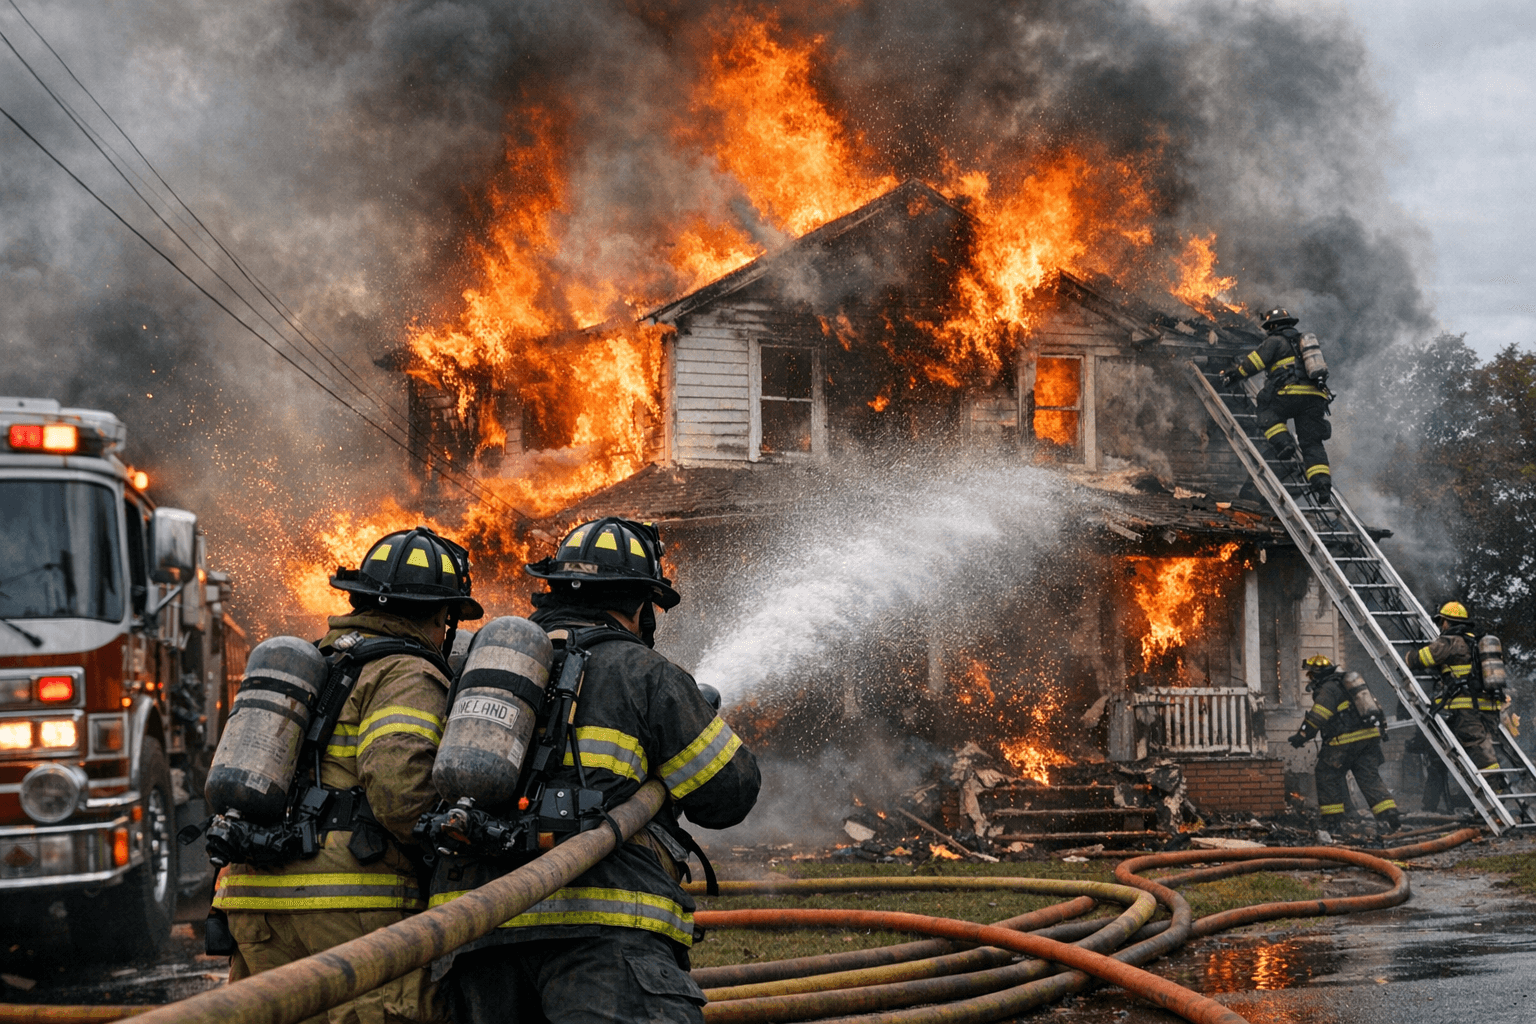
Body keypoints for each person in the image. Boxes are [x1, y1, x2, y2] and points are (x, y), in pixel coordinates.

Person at [434, 516, 760, 1024]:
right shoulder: (645, 673)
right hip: (607, 940)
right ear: (639, 604)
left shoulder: (484, 668)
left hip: (479, 937)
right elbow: (730, 793)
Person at [213, 527, 483, 1024]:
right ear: (441, 616)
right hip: (351, 905)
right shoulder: (405, 672)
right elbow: (401, 791)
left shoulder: (311, 662)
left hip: (252, 900)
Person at [1218, 308, 1334, 502]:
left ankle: (1284, 443)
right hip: (1314, 398)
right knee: (1312, 442)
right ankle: (1322, 484)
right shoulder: (1304, 344)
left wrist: (1234, 375)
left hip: (1288, 393)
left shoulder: (1274, 342)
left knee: (1265, 407)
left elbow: (1253, 363)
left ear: (1273, 326)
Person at [1288, 656, 1400, 832]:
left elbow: (1318, 716)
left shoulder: (1328, 688)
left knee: (1326, 774)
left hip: (1345, 741)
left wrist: (1301, 736)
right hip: (1370, 739)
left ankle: (1333, 821)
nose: (1310, 678)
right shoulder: (1351, 685)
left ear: (1317, 675)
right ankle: (1389, 816)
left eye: (1311, 675)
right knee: (1369, 777)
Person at [1405, 601, 1506, 782]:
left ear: (1446, 622)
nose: (1440, 626)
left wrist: (1408, 657)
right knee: (1479, 749)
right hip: (1490, 708)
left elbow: (1421, 659)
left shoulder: (1450, 642)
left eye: (1441, 622)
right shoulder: (1475, 641)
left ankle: (1496, 791)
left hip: (1468, 709)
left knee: (1480, 752)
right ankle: (1487, 796)